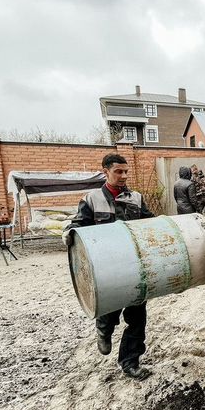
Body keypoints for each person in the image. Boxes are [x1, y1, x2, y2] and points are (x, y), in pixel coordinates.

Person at [62, 153, 154, 380]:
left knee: (137, 318)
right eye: (118, 172)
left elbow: (150, 224)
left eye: (126, 171)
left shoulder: (136, 198)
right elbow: (79, 224)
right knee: (110, 311)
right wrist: (69, 233)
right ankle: (104, 328)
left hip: (134, 267)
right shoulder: (92, 199)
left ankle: (130, 362)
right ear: (106, 172)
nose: (124, 176)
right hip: (106, 270)